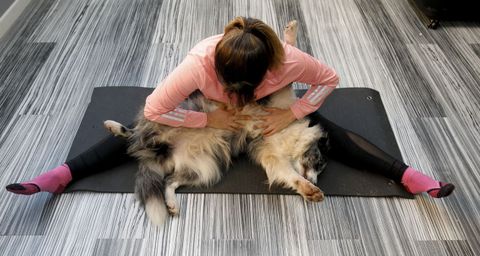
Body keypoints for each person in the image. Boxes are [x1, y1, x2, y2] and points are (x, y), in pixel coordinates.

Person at [6, 17, 454, 198]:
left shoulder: (290, 63)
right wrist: (209, 116)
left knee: (326, 131)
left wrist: (291, 113)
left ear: (273, 68)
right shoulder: (198, 64)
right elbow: (157, 107)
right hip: (214, 118)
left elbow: (329, 81)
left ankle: (410, 178)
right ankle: (58, 177)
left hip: (266, 117)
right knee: (142, 129)